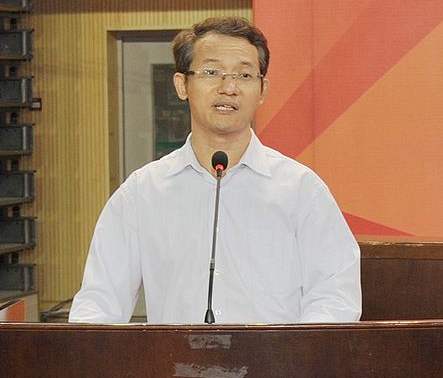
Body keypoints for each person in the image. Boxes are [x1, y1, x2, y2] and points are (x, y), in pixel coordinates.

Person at [69, 17, 361, 324]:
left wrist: (292, 353)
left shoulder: (301, 189)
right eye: (211, 72)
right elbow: (99, 302)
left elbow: (335, 298)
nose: (229, 88)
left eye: (244, 75)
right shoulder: (142, 192)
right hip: (173, 356)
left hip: (277, 357)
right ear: (182, 85)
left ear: (262, 89)